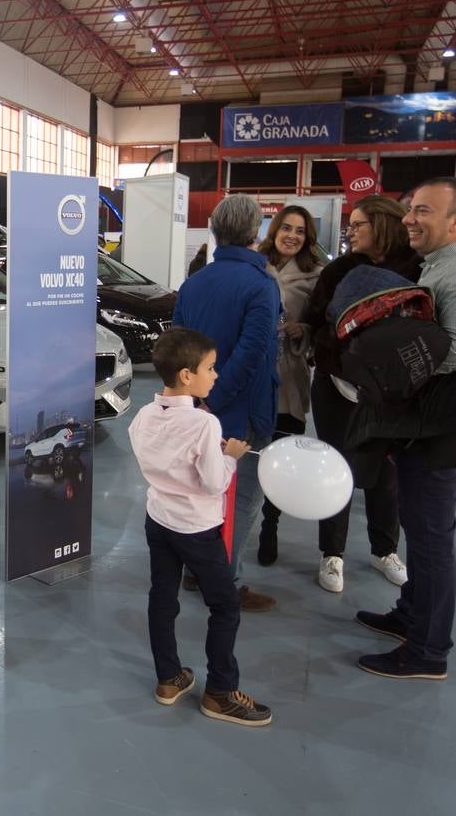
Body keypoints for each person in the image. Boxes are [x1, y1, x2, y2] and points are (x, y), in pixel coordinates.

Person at [356, 177, 456, 681]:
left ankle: (428, 651)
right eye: (410, 209)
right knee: (420, 530)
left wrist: (392, 366)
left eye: (422, 211)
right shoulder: (439, 266)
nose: (409, 219)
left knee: (432, 539)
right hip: (423, 421)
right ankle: (412, 615)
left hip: (441, 426)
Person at [128, 327, 271, 727]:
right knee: (225, 605)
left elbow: (151, 460)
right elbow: (212, 482)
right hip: (196, 527)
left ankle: (169, 678)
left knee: (163, 596)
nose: (217, 375)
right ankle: (221, 693)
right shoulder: (205, 426)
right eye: (210, 368)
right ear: (186, 375)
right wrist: (231, 457)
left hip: (158, 519)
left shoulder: (143, 415)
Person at [302, 196, 418, 593]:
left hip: (392, 391)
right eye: (350, 225)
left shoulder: (415, 267)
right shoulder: (340, 270)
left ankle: (384, 549)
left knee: (387, 470)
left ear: (383, 225)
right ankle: (331, 554)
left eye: (359, 224)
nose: (351, 232)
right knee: (337, 468)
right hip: (339, 384)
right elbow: (316, 321)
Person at [171, 195, 280, 612]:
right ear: (257, 233)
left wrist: (197, 398)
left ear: (214, 231)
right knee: (242, 498)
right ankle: (224, 583)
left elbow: (176, 345)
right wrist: (215, 399)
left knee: (198, 491)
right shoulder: (261, 284)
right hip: (242, 412)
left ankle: (195, 569)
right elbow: (252, 354)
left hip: (195, 408)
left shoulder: (195, 282)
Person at [254, 205, 322, 567]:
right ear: (275, 229)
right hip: (254, 375)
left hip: (290, 378)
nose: (293, 236)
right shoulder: (254, 265)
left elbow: (320, 329)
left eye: (301, 231)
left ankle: (270, 525)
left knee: (281, 457)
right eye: (287, 228)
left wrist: (304, 332)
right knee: (249, 454)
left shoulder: (316, 277)